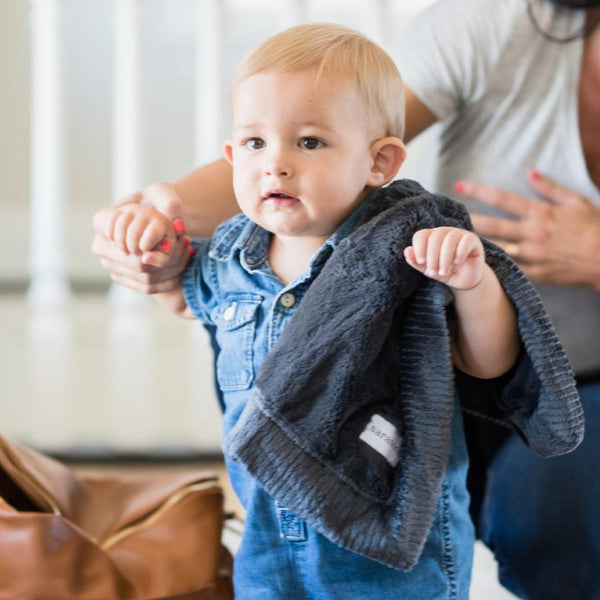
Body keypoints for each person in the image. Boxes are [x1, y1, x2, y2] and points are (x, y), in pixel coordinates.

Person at [92, 2, 600, 598]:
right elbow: (186, 299)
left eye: (309, 142)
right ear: (233, 155)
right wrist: (151, 236)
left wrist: (473, 281)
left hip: (384, 548)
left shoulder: (404, 253)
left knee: (553, 521)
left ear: (380, 161)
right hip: (269, 536)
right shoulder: (232, 256)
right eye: (254, 143)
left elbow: (488, 363)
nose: (275, 162)